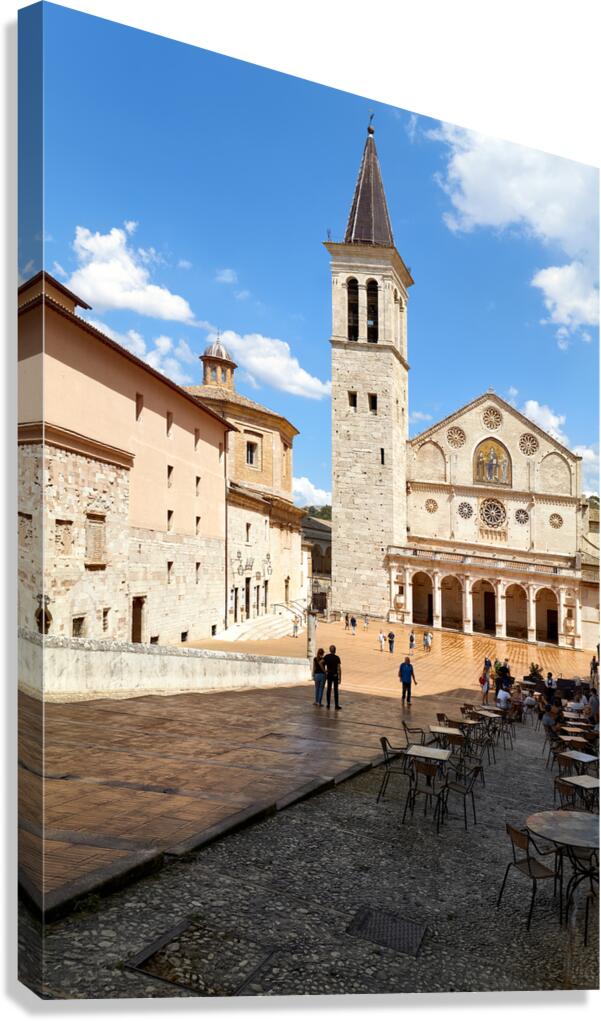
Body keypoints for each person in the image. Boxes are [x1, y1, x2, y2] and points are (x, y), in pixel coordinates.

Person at [323, 644, 342, 710]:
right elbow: (339, 668)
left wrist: (325, 671)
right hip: (335, 675)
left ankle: (328, 704)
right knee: (335, 690)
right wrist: (340, 678)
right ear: (335, 650)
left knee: (329, 689)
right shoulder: (337, 658)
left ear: (330, 650)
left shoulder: (326, 656)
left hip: (329, 675)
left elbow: (321, 663)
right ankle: (336, 705)